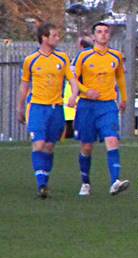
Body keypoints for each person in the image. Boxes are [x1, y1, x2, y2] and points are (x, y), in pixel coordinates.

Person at [17, 23, 79, 198]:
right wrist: (19, 107)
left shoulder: (62, 59)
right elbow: (24, 85)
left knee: (50, 147)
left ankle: (44, 179)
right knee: (39, 144)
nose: (58, 38)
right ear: (44, 38)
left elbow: (72, 80)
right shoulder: (31, 60)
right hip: (37, 107)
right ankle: (41, 184)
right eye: (54, 35)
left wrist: (74, 95)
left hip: (56, 109)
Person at [72, 22, 129, 196]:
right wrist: (84, 91)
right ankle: (85, 182)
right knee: (87, 146)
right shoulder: (83, 56)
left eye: (106, 32)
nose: (103, 35)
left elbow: (120, 76)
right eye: (99, 32)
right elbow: (73, 78)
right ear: (93, 36)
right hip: (87, 106)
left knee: (112, 140)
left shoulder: (116, 56)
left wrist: (124, 98)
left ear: (109, 35)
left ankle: (115, 181)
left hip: (108, 105)